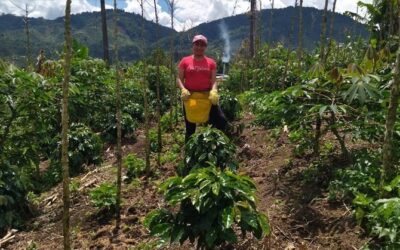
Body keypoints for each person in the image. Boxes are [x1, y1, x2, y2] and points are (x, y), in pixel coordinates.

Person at [177, 34, 227, 142]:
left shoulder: (211, 62)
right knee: (190, 126)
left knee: (220, 120)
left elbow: (214, 81)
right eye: (197, 44)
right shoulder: (185, 61)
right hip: (191, 98)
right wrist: (183, 89)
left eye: (202, 45)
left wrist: (214, 91)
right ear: (193, 45)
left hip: (207, 98)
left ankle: (212, 145)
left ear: (205, 47)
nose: (199, 47)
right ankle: (189, 152)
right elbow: (179, 79)